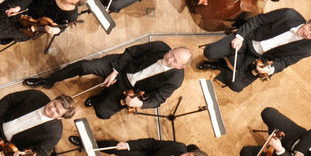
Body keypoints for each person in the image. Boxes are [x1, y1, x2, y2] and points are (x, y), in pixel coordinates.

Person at [24, 41, 193, 119]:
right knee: (84, 66)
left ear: (180, 67)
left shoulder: (175, 79)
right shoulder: (160, 47)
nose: (169, 58)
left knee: (102, 113)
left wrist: (139, 104)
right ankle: (48, 80)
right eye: (172, 53)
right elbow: (131, 52)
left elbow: (159, 99)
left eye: (175, 61)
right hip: (121, 67)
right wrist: (115, 71)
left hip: (130, 89)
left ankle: (98, 98)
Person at [199, 9, 311, 91]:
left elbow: (284, 62)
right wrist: (240, 36)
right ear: (309, 21)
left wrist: (270, 69)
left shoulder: (308, 49)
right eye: (310, 28)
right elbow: (258, 20)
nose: (307, 34)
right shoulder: (289, 14)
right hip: (247, 40)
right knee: (209, 52)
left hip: (258, 59)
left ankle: (223, 66)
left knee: (237, 86)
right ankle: (229, 56)